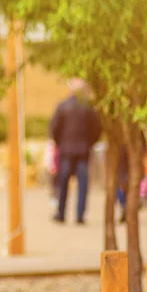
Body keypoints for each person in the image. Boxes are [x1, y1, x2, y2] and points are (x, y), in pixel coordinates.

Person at [49, 79, 101, 224]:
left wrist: (61, 144)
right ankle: (80, 215)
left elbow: (54, 128)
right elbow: (97, 129)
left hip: (66, 151)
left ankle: (61, 213)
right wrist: (89, 143)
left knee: (63, 182)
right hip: (83, 150)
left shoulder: (62, 106)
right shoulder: (89, 107)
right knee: (83, 184)